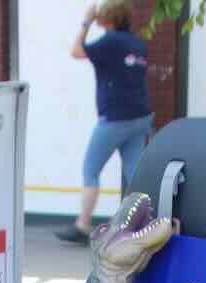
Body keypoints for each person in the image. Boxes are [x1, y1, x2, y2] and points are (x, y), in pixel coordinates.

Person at [58, 1, 151, 244]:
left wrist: (86, 22)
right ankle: (145, 223)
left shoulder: (110, 41)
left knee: (90, 169)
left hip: (115, 118)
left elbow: (76, 51)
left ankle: (82, 225)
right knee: (135, 173)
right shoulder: (138, 44)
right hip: (140, 117)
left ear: (107, 19)